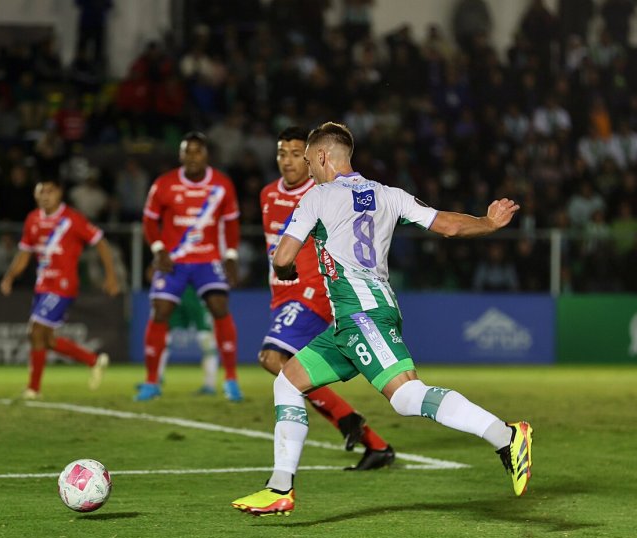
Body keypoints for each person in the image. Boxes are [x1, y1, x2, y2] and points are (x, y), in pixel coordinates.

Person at [232, 122, 533, 516]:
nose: (306, 169)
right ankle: (279, 488)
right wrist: (489, 222)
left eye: (307, 160)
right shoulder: (390, 194)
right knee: (288, 383)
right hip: (349, 322)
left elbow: (283, 257)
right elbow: (448, 225)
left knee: (407, 397)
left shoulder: (317, 197)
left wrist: (285, 270)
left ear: (321, 157)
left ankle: (506, 435)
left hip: (363, 315)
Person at [259, 126, 395, 470]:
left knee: (273, 358)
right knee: (296, 371)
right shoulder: (266, 195)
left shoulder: (323, 192)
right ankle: (374, 443)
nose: (288, 161)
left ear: (312, 158)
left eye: (295, 154)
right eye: (282, 153)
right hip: (283, 296)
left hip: (314, 293)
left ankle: (347, 418)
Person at [137, 131, 242, 402]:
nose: (192, 156)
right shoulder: (164, 184)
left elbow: (230, 222)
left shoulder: (222, 185)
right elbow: (149, 221)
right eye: (187, 151)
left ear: (206, 155)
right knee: (160, 311)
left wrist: (230, 255)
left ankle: (231, 379)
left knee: (220, 306)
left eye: (198, 151)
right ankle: (151, 382)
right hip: (174, 260)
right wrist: (158, 250)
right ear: (180, 155)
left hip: (208, 259)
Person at [0, 175, 120, 399]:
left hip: (63, 285)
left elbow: (101, 243)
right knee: (47, 339)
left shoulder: (72, 219)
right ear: (35, 195)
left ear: (60, 193)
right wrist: (9, 277)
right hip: (42, 285)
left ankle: (33, 390)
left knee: (35, 330)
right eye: (41, 192)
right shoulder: (32, 219)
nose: (45, 196)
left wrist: (110, 276)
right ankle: (93, 360)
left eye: (50, 191)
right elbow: (24, 254)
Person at [159, 284, 219, 396]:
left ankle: (210, 384)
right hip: (176, 291)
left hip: (198, 294)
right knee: (162, 334)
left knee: (207, 340)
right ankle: (155, 380)